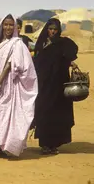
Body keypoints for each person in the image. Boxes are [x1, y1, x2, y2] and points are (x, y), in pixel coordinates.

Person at [0, 14, 38, 159]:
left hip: (8, 85)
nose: (8, 27)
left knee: (5, 115)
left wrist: (0, 82)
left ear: (15, 27)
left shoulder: (17, 44)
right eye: (6, 25)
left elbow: (11, 64)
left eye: (11, 25)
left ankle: (6, 146)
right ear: (1, 26)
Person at [32, 18, 78, 155]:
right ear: (47, 29)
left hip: (58, 85)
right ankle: (44, 144)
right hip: (43, 85)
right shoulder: (41, 43)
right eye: (50, 29)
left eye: (55, 29)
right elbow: (37, 61)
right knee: (43, 111)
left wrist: (69, 61)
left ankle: (53, 144)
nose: (52, 31)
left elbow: (70, 53)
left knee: (57, 114)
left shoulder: (62, 43)